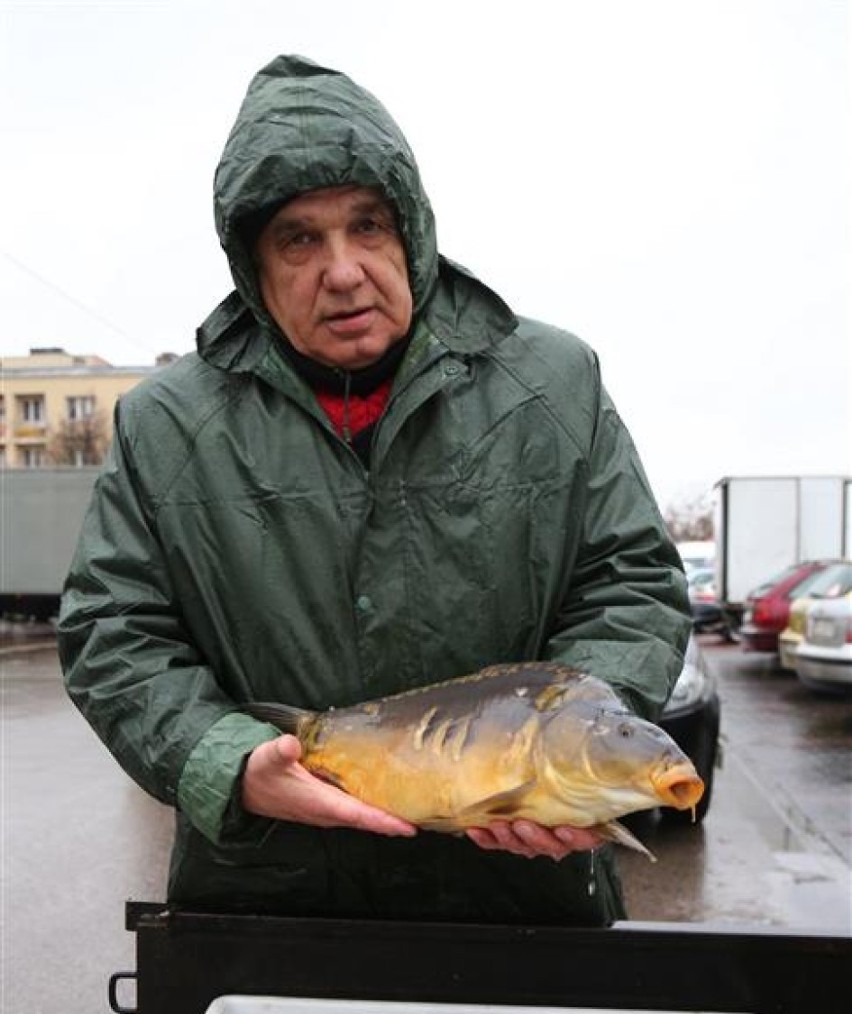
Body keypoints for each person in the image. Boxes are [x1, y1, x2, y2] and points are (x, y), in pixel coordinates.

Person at [57, 54, 692, 926]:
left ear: (413, 231)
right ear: (252, 262)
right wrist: (228, 761)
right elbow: (111, 630)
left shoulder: (553, 384)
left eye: (367, 226)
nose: (345, 270)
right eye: (300, 239)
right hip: (269, 905)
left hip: (517, 904)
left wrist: (557, 753)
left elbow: (632, 585)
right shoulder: (167, 424)